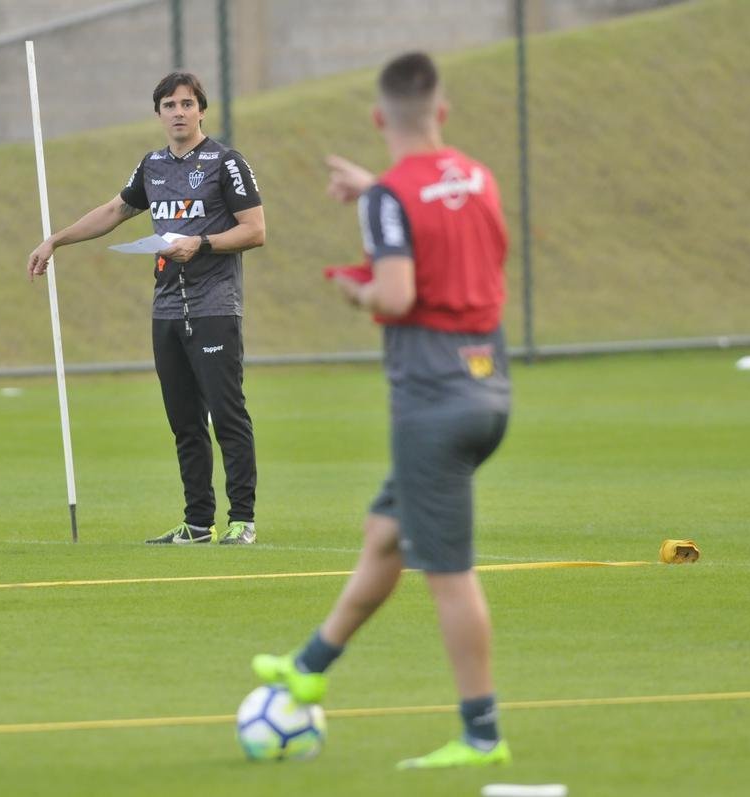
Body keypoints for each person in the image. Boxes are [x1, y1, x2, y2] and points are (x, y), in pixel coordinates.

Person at [252, 52, 513, 770]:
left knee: (449, 571)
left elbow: (395, 296)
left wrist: (356, 289)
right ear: (444, 112)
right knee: (385, 533)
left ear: (376, 118)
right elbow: (441, 218)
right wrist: (377, 194)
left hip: (432, 397)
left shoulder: (389, 199)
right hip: (489, 384)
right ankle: (308, 664)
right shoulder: (477, 176)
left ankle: (481, 734)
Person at [27, 72, 266, 546]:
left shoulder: (226, 162)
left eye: (186, 103)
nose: (178, 112)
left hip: (214, 306)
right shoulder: (152, 166)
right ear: (157, 114)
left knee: (227, 414)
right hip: (166, 311)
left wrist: (200, 244)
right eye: (169, 105)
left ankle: (243, 520)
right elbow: (115, 211)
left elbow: (255, 230)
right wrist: (56, 240)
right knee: (183, 422)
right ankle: (198, 523)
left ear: (201, 109)